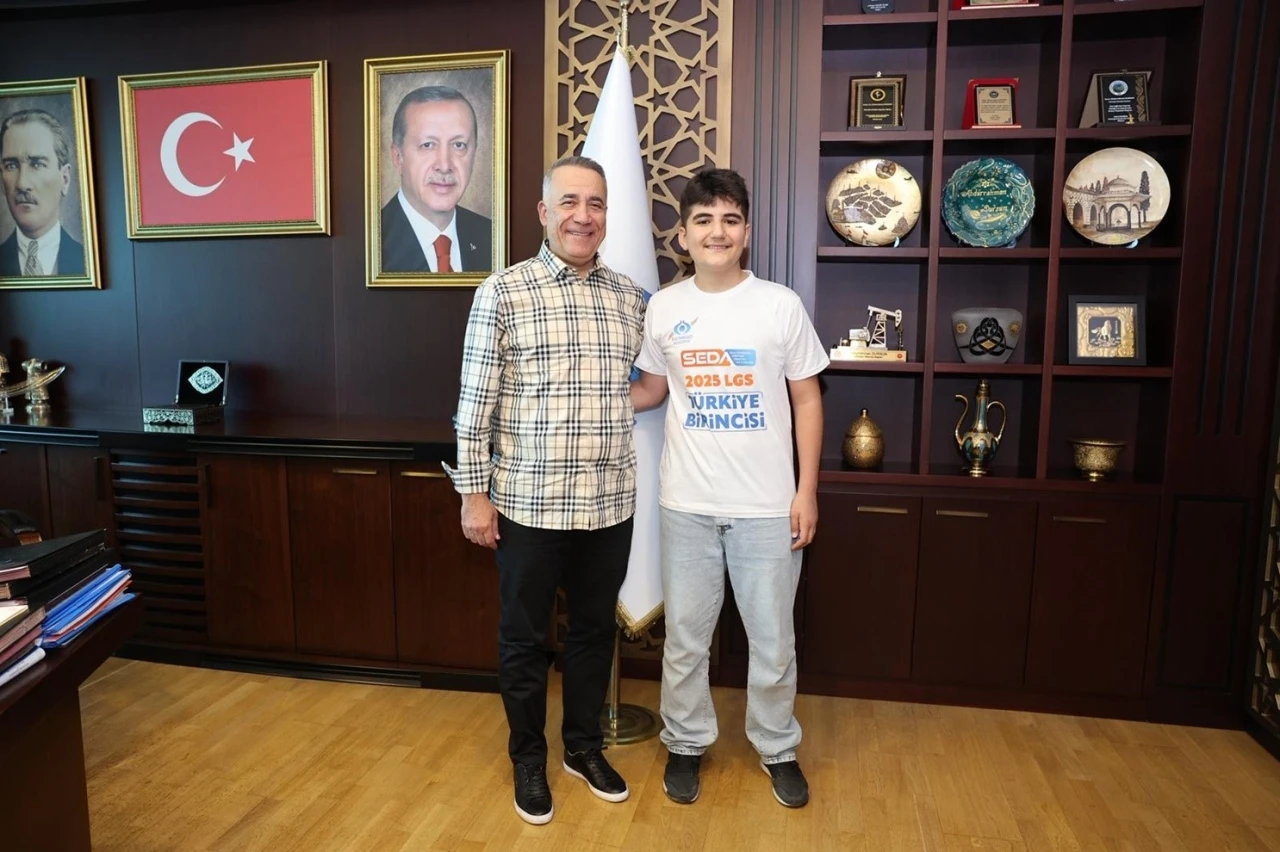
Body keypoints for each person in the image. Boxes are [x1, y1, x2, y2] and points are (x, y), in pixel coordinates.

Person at [443, 154, 647, 826]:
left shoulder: (629, 297)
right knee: (524, 640)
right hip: (528, 506)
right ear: (543, 212)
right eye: (569, 202)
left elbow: (640, 387)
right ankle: (528, 758)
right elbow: (475, 405)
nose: (583, 216)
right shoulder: (503, 292)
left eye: (595, 204)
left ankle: (582, 748)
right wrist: (473, 495)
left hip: (609, 504)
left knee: (593, 634)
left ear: (607, 214)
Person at [630, 167, 828, 809]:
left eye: (730, 219)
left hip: (767, 509)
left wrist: (806, 491)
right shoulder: (664, 307)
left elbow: (808, 399)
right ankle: (686, 742)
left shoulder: (780, 304)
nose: (717, 231)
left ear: (746, 231)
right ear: (683, 234)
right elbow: (652, 390)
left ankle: (777, 747)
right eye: (704, 220)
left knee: (773, 643)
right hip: (686, 504)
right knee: (686, 641)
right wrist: (590, 398)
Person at [381, 85, 491, 274]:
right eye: (428, 145)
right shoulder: (369, 243)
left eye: (459, 145)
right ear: (398, 157)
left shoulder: (493, 237)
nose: (444, 165)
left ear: (474, 153)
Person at [0, 109, 85, 277]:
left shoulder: (87, 262)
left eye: (37, 164)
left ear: (65, 179)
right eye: (11, 166)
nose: (22, 183)